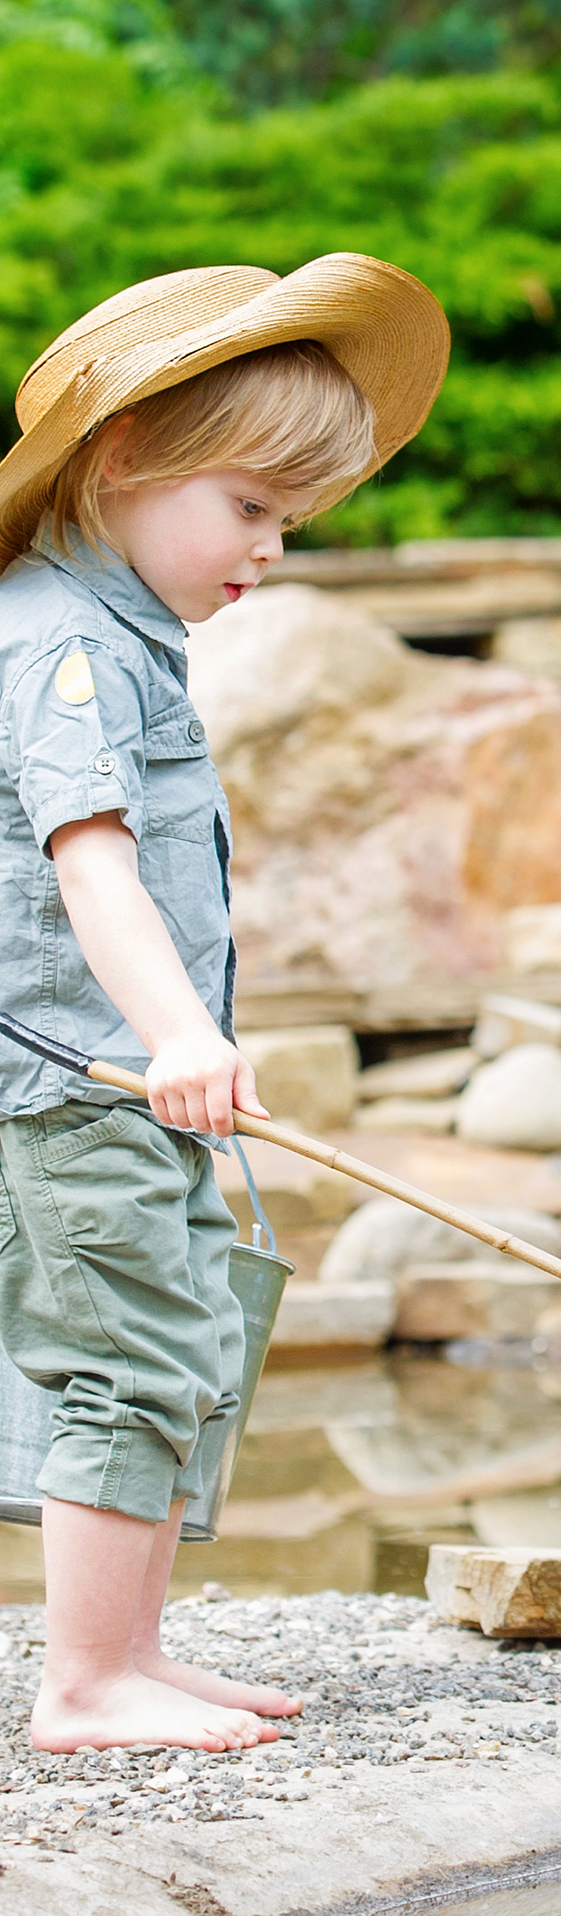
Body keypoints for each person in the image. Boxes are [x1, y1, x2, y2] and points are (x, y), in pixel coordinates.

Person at [0, 257, 448, 1751]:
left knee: (184, 1329)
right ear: (125, 456)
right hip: (85, 1081)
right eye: (250, 508)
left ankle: (131, 1647)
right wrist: (181, 1032)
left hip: (134, 1075)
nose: (269, 551)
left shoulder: (123, 632)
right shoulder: (62, 642)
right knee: (123, 1352)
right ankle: (82, 1681)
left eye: (290, 523)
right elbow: (92, 866)